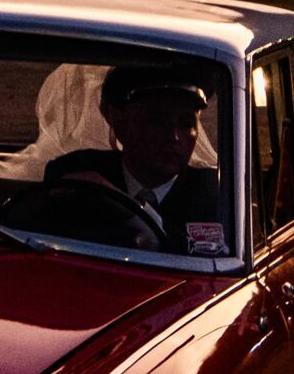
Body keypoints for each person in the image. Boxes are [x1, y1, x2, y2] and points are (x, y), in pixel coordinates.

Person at [41, 65, 223, 255]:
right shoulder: (76, 174)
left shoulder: (216, 193)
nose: (174, 137)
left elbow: (211, 257)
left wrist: (132, 212)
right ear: (120, 124)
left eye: (186, 123)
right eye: (156, 121)